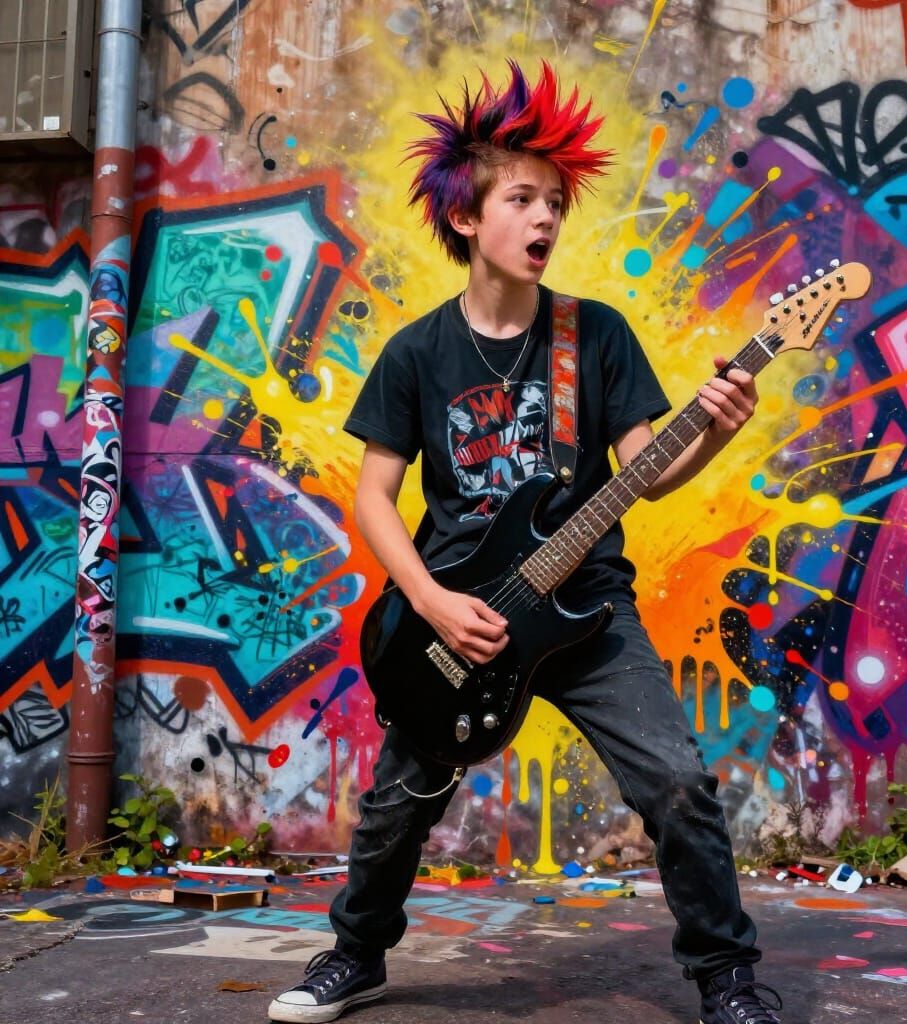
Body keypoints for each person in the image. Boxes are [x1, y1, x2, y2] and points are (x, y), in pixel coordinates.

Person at [268, 60, 782, 1024]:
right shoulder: (418, 352)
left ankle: (727, 977)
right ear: (466, 217)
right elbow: (376, 495)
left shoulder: (599, 336)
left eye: (554, 201)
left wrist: (720, 426)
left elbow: (646, 468)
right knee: (397, 808)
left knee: (677, 783)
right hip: (458, 609)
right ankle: (355, 955)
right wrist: (427, 600)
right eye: (521, 198)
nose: (544, 219)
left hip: (588, 607)